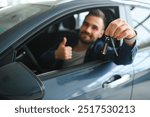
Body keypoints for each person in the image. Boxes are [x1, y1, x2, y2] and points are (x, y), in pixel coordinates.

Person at [40, 9, 137, 70]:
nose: (87, 30)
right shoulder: (67, 39)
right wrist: (56, 54)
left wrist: (130, 38)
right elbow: (42, 59)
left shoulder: (99, 48)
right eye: (85, 24)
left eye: (94, 28)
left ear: (101, 34)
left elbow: (123, 59)